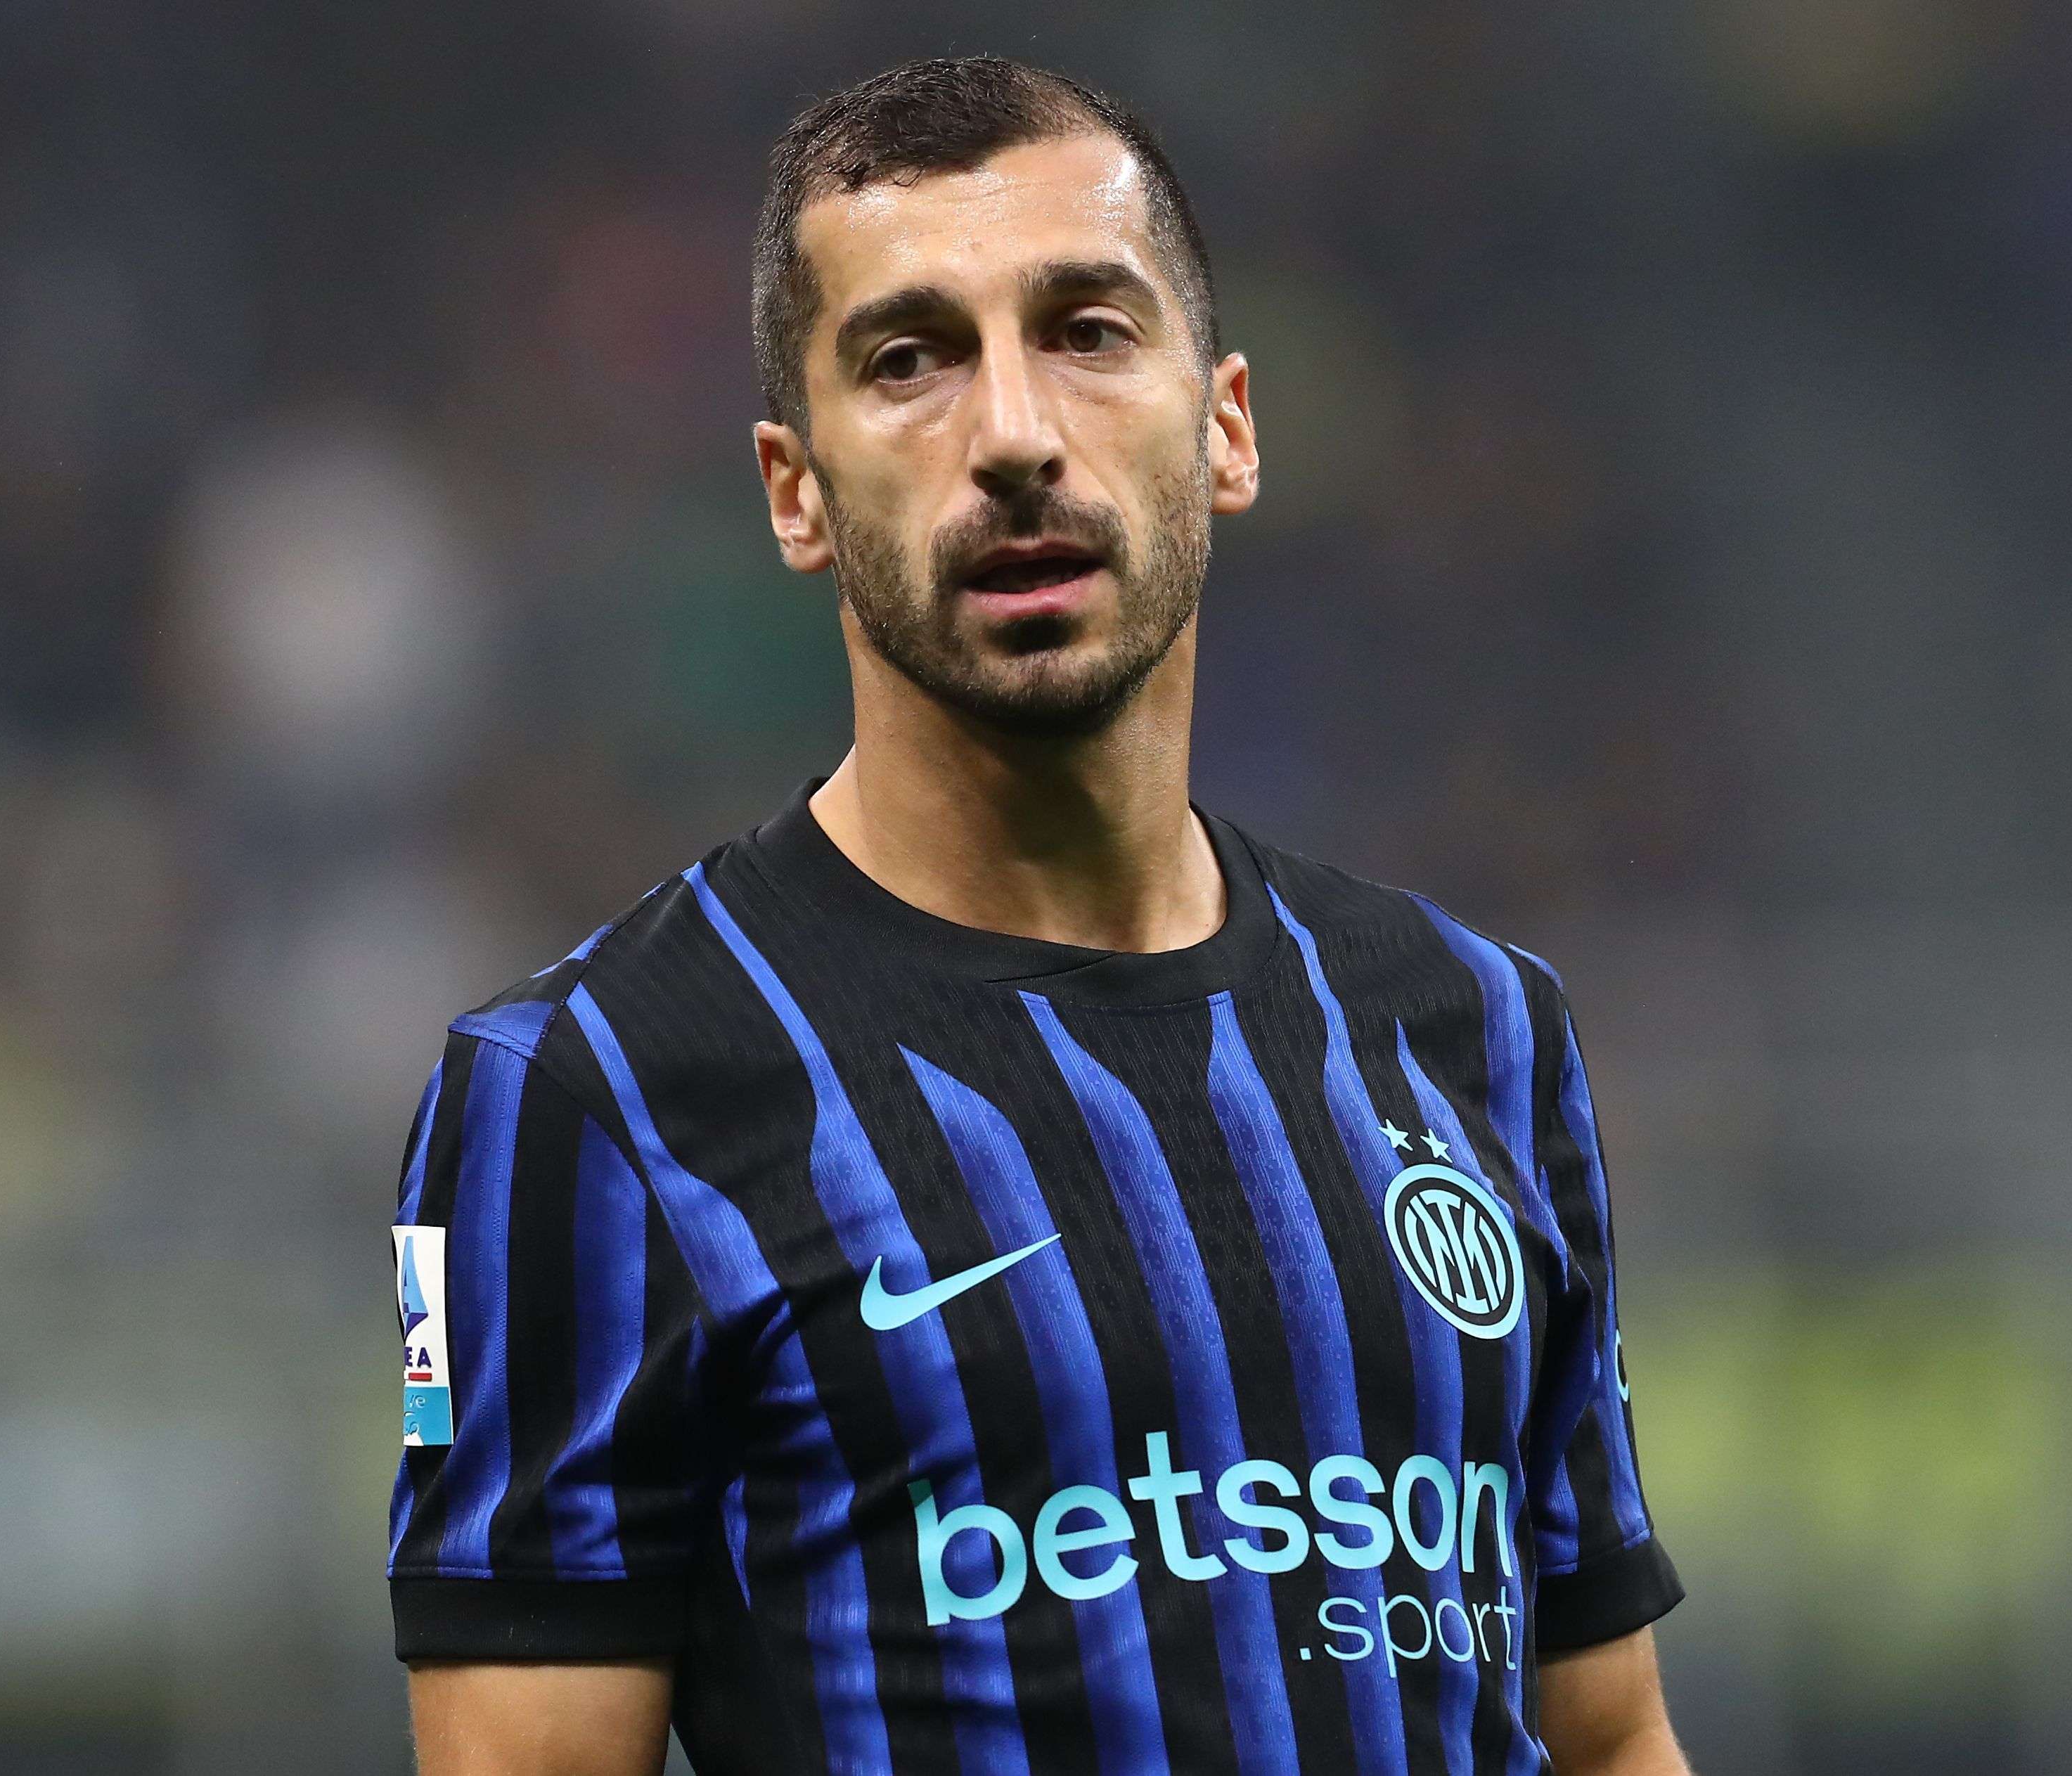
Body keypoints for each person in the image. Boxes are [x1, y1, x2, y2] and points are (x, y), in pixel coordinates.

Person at [389, 55, 1689, 1776]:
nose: (1011, 434)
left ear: (1225, 427)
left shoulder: (1478, 1031)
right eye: (909, 360)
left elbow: (1607, 1736)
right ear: (795, 490)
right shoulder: (597, 1096)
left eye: (1086, 332)